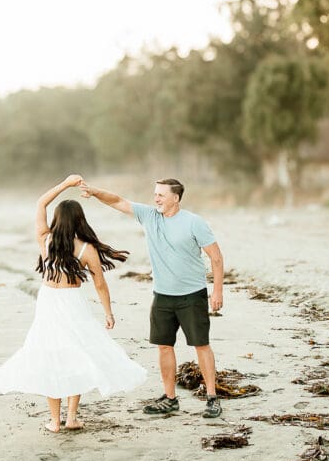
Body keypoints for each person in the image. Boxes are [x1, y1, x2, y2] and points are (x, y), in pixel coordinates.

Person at [0, 174, 147, 432]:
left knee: (51, 355)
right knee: (77, 353)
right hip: (73, 302)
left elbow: (40, 204)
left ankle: (55, 421)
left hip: (49, 301)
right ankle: (71, 418)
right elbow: (100, 285)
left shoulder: (45, 239)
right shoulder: (86, 249)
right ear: (80, 221)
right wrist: (108, 313)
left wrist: (66, 184)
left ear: (57, 219)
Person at [80, 178, 225, 418]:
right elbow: (117, 201)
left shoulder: (194, 222)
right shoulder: (149, 216)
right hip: (162, 296)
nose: (156, 198)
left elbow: (216, 257)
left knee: (201, 345)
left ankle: (212, 397)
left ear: (175, 198)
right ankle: (170, 398)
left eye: (161, 195)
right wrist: (94, 192)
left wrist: (217, 291)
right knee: (164, 346)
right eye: (155, 194)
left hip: (192, 295)